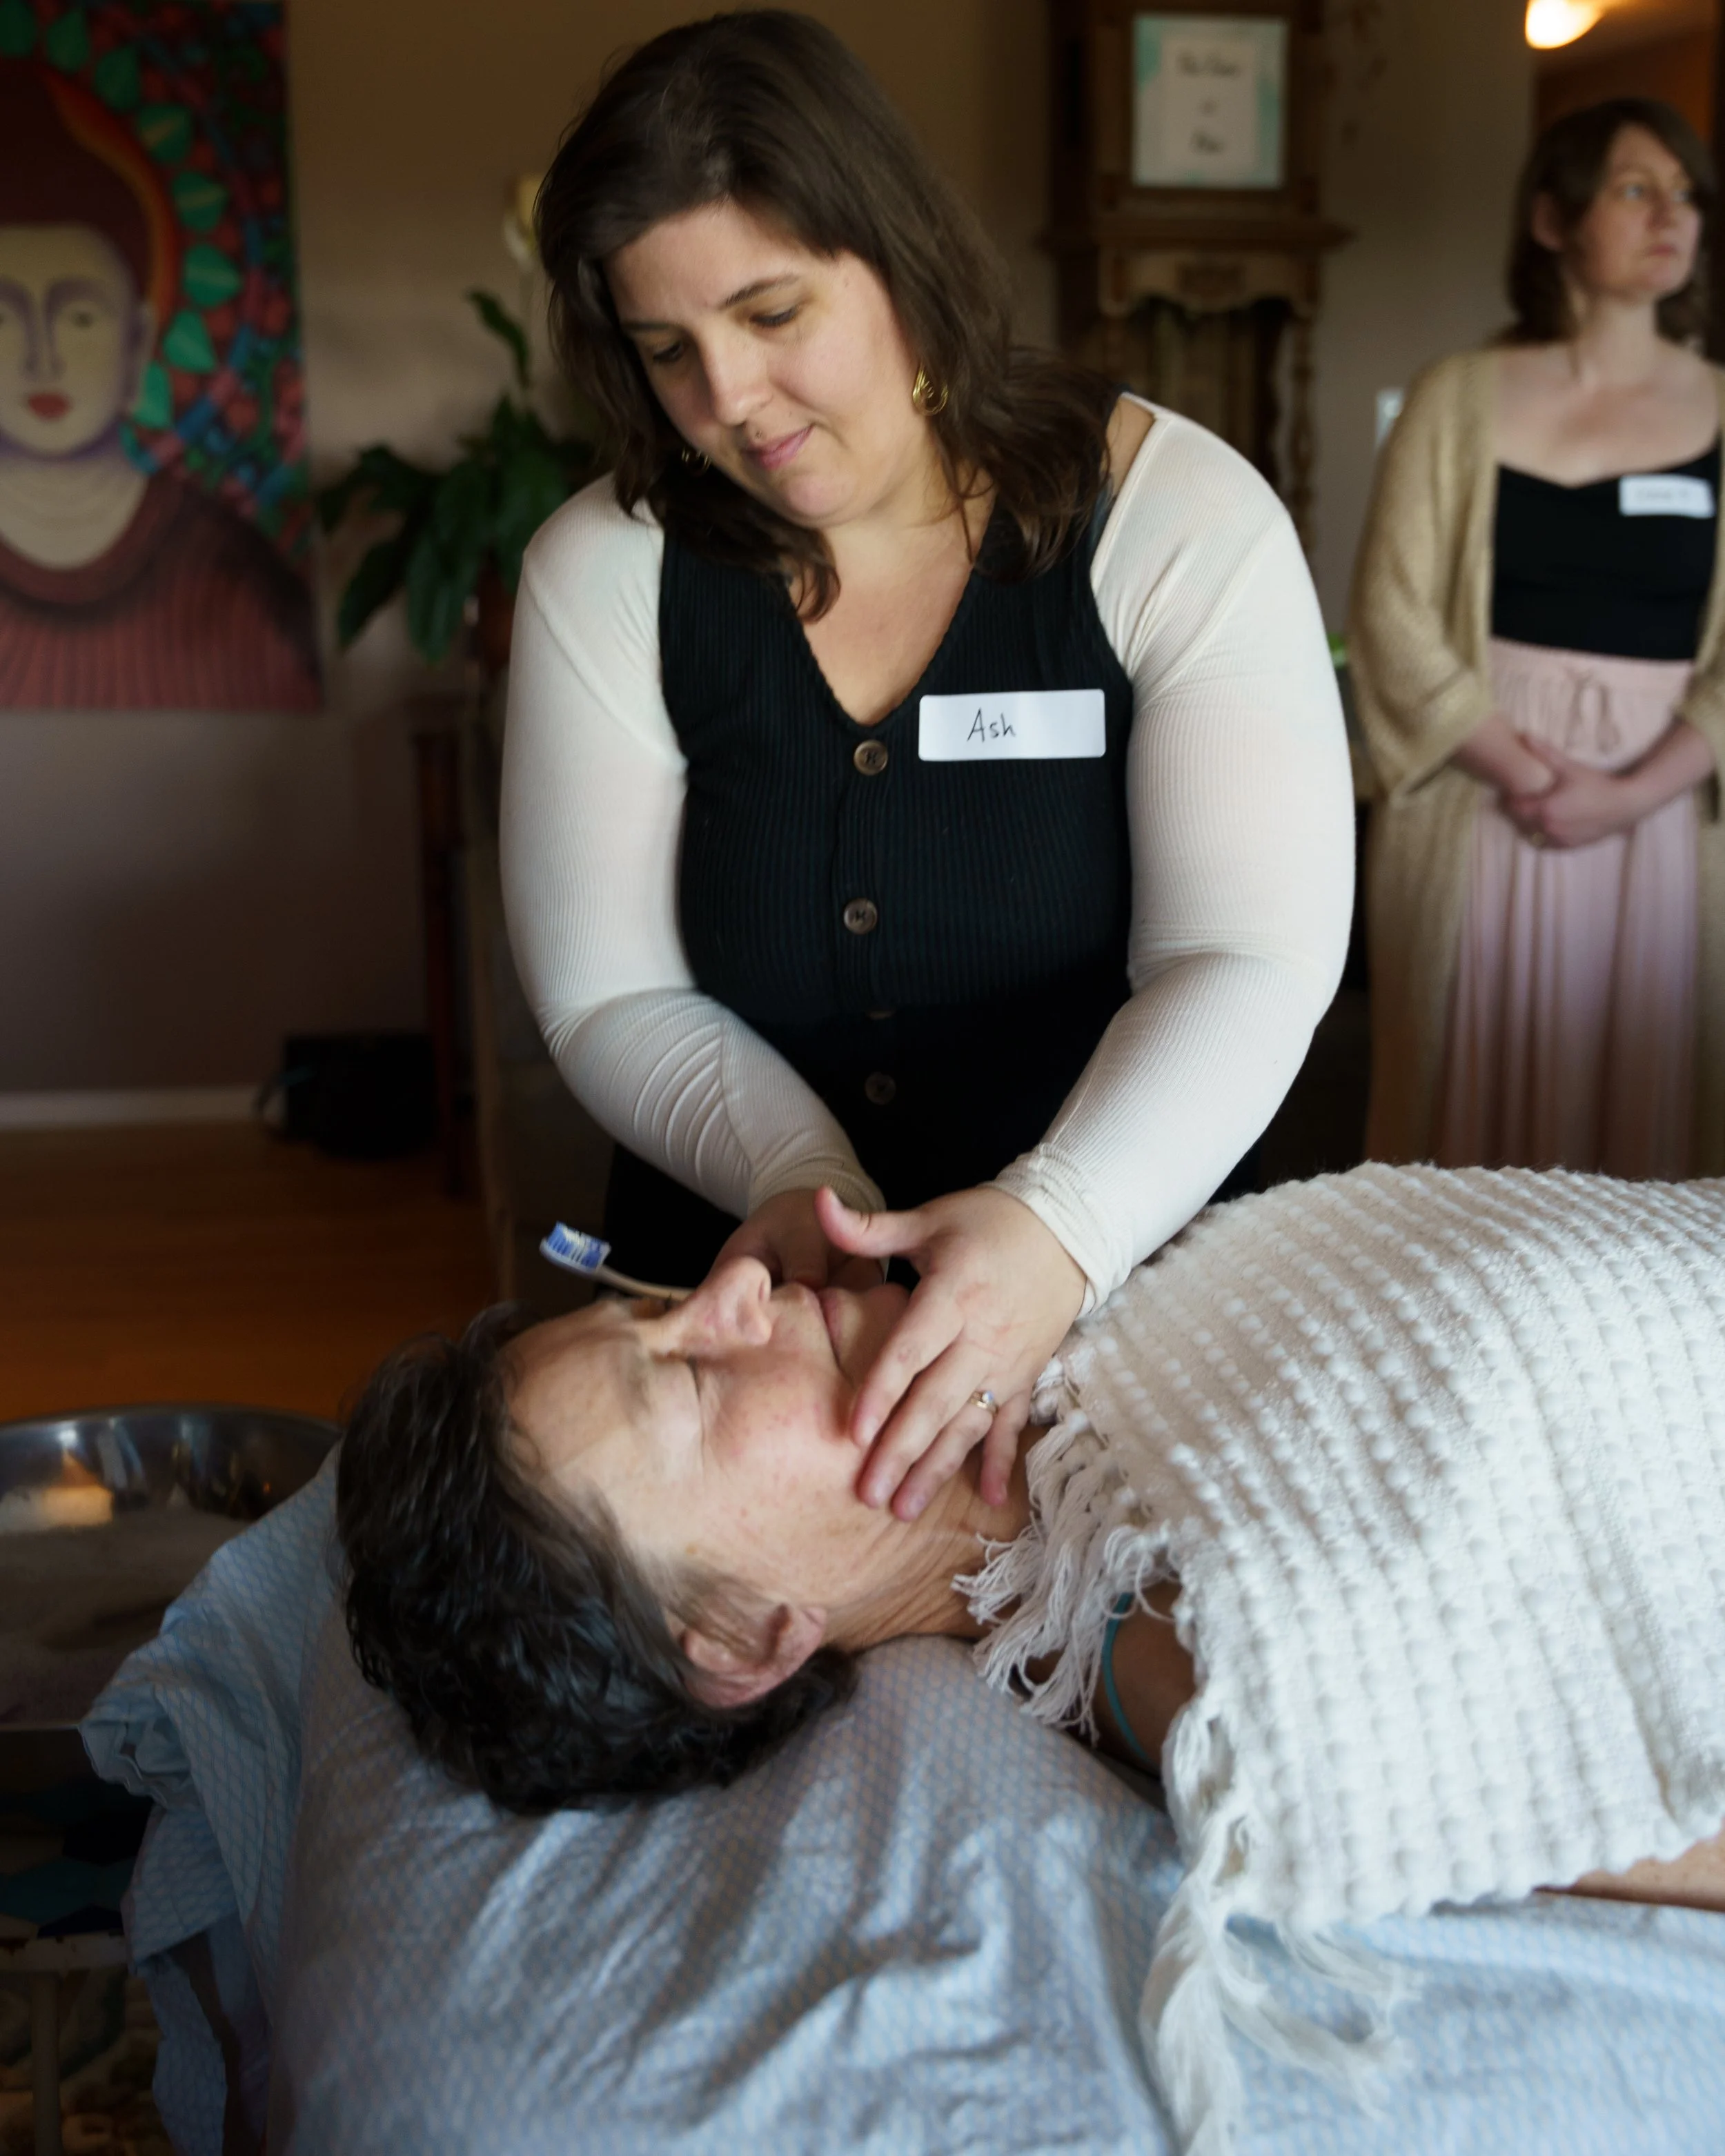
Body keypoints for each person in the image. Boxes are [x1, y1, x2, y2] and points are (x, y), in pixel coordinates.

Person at [339, 1160, 1725, 2141]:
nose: (738, 1289)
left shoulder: (1041, 1301)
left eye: (659, 1302)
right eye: (694, 1378)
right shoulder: (1202, 1659)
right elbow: (1660, 1787)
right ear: (749, 1635)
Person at [502, 12, 1352, 1529]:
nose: (728, 397)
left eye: (772, 312)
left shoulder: (1176, 518)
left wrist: (1058, 1225)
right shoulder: (609, 569)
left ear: (897, 256)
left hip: (1128, 1272)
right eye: (667, 350)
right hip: (756, 1320)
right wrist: (798, 1177)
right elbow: (608, 993)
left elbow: (1245, 953)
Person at [1350, 98, 1724, 1178]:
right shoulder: (1454, 397)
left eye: (1686, 193)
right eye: (1636, 188)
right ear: (1555, 219)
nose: (1672, 216)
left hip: (1666, 814)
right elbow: (1389, 612)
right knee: (1463, 1124)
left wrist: (1630, 792)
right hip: (1484, 796)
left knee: (1655, 1127)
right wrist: (1527, 771)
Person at [0, 61, 319, 711]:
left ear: (139, 338)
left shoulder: (231, 572)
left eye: (79, 316)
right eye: (3, 317)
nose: (42, 361)